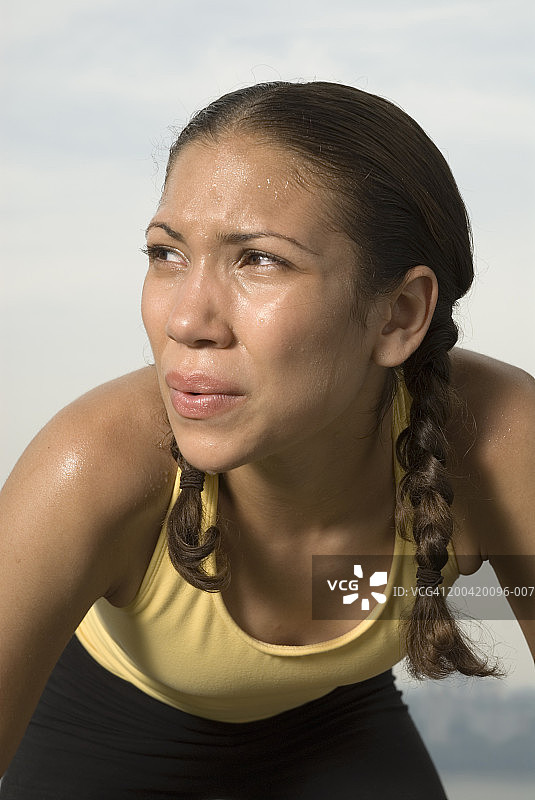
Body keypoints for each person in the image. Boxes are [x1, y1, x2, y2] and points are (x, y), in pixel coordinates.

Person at [0, 81, 533, 799]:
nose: (187, 319)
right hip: (104, 730)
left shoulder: (499, 438)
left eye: (259, 260)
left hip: (337, 721)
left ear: (398, 313)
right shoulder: (90, 464)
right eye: (166, 253)